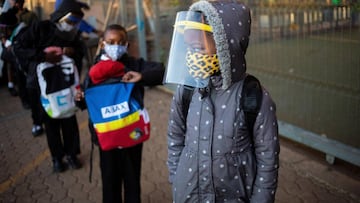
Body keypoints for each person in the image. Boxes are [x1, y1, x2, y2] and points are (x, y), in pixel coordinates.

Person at [164, 1, 280, 203]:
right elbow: (175, 136)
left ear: (228, 46)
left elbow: (267, 158)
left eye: (199, 48)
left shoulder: (253, 96)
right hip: (189, 193)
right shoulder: (187, 89)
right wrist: (177, 177)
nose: (192, 57)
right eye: (190, 49)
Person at [75, 24, 164, 203]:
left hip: (132, 134)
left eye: (121, 42)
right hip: (106, 136)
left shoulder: (134, 64)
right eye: (111, 42)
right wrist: (79, 98)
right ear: (102, 43)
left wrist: (142, 77)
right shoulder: (95, 70)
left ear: (127, 45)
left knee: (132, 180)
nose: (116, 46)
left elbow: (160, 70)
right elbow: (86, 103)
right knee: (110, 181)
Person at [13, 0, 85, 172]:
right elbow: (18, 47)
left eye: (76, 22)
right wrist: (42, 56)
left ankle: (72, 154)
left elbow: (80, 57)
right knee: (50, 122)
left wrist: (73, 53)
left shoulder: (74, 36)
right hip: (44, 87)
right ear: (61, 17)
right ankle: (57, 159)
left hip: (66, 86)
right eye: (70, 21)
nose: (72, 26)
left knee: (69, 119)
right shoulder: (41, 28)